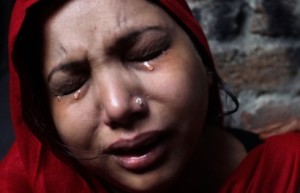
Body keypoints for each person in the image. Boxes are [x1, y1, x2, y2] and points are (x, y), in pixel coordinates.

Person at [1, 0, 299, 193]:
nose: (118, 106)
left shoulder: (289, 171)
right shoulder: (21, 185)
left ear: (202, 57)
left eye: (148, 52)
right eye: (71, 85)